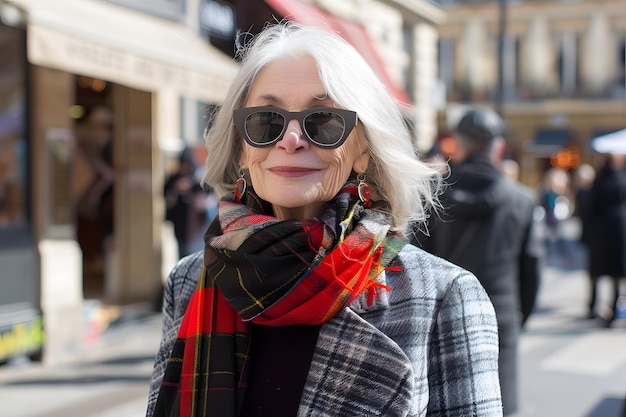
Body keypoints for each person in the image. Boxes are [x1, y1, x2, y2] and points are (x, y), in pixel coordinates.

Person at [146, 22, 502, 417]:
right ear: (243, 151)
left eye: (323, 120)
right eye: (266, 120)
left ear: (362, 151)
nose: (291, 140)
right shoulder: (188, 281)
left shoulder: (444, 296)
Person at [413, 108, 542, 416]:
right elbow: (531, 269)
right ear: (497, 147)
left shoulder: (433, 196)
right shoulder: (521, 200)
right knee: (500, 404)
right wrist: (517, 317)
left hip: (440, 316)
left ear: (457, 144)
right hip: (499, 314)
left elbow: (415, 262)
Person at [584, 153, 626, 324]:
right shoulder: (622, 179)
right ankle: (614, 307)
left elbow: (590, 207)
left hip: (600, 232)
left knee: (596, 273)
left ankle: (592, 305)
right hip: (620, 231)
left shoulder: (599, 181)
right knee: (616, 274)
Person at [163, 147, 213, 259]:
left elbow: (206, 194)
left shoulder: (196, 178)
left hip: (194, 222)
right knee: (181, 249)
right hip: (179, 221)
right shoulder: (173, 179)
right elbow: (166, 194)